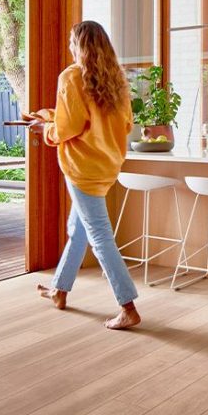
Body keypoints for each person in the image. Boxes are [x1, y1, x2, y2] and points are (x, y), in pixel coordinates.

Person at [31, 21, 140, 330]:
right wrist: (53, 118)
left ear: (78, 46)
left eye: (71, 42)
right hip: (106, 165)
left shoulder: (71, 76)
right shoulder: (116, 80)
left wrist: (45, 128)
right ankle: (59, 290)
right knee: (79, 228)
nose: (69, 48)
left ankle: (127, 306)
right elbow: (121, 124)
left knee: (99, 235)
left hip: (81, 168)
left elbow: (68, 128)